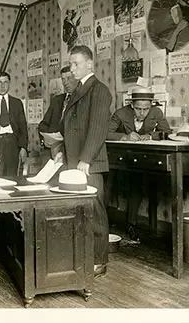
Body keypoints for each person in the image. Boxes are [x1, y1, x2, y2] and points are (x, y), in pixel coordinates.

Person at [55, 45, 111, 278]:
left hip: (88, 163)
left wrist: (85, 161)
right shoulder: (77, 90)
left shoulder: (99, 90)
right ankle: (82, 255)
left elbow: (97, 129)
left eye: (76, 63)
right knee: (78, 211)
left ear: (90, 64)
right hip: (73, 161)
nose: (72, 68)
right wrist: (61, 151)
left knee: (95, 211)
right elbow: (68, 127)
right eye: (71, 64)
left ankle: (99, 260)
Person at [107, 87, 172, 241]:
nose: (142, 113)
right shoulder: (120, 114)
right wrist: (124, 137)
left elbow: (167, 132)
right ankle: (118, 224)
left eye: (146, 109)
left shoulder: (156, 112)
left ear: (151, 105)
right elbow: (104, 132)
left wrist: (151, 135)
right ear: (132, 105)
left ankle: (136, 225)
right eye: (138, 109)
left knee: (141, 183)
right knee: (115, 184)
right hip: (120, 157)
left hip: (143, 156)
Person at [38, 65, 78, 145]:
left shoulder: (82, 100)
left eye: (69, 78)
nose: (66, 83)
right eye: (63, 79)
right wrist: (50, 136)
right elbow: (42, 125)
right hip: (54, 147)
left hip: (72, 147)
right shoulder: (56, 100)